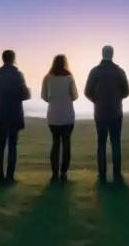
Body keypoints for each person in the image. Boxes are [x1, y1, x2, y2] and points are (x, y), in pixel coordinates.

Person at [84, 45, 129, 183]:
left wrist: (96, 100)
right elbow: (126, 91)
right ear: (112, 54)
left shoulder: (95, 71)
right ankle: (117, 174)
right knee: (116, 142)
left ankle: (102, 175)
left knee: (101, 143)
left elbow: (87, 91)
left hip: (100, 112)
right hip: (116, 111)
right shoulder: (119, 71)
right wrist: (117, 98)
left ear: (102, 54)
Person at [0, 50, 31, 185]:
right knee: (12, 145)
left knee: (0, 144)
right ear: (13, 59)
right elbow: (25, 95)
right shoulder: (18, 75)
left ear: (3, 59)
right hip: (14, 113)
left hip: (0, 112)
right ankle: (10, 176)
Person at [41, 54, 79, 183]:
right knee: (66, 143)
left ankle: (54, 173)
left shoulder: (48, 78)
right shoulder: (69, 78)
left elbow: (44, 96)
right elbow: (74, 96)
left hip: (53, 114)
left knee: (55, 143)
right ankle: (64, 172)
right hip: (67, 114)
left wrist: (53, 99)